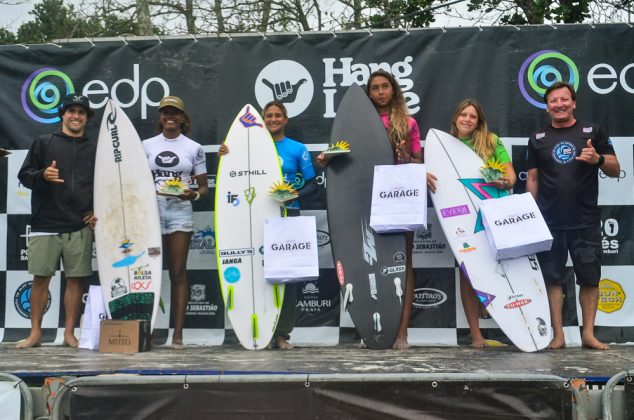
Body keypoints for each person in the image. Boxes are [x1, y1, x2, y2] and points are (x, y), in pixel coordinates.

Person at [319, 70, 424, 350]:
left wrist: (404, 158)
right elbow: (340, 164)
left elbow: (417, 161)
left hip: (397, 197)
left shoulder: (409, 123)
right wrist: (324, 159)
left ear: (394, 90)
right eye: (374, 88)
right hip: (361, 198)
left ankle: (401, 333)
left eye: (385, 86)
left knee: (402, 262)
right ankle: (373, 330)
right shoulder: (355, 125)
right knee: (363, 261)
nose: (380, 92)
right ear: (369, 93)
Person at [526, 81, 620, 350]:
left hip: (586, 221)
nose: (559, 104)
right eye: (553, 101)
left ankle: (588, 335)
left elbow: (615, 168)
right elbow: (532, 178)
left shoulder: (593, 132)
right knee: (553, 279)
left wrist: (599, 160)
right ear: (547, 107)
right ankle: (559, 335)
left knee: (590, 279)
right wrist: (529, 215)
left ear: (574, 103)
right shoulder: (537, 139)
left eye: (564, 99)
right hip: (549, 223)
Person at [219, 100, 318, 350]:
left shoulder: (297, 149)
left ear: (285, 119)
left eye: (278, 115)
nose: (273, 119)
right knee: (255, 272)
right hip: (253, 218)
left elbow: (312, 184)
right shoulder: (247, 147)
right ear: (263, 119)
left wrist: (292, 196)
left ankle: (283, 333)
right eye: (269, 116)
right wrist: (225, 154)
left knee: (287, 276)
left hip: (288, 217)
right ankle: (259, 330)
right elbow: (232, 175)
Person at [429, 99, 517, 348]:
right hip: (461, 219)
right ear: (455, 117)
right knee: (468, 273)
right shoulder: (442, 146)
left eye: (473, 117)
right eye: (463, 115)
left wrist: (505, 182)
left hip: (493, 214)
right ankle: (476, 335)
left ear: (479, 121)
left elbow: (510, 174)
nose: (467, 120)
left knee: (501, 269)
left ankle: (515, 327)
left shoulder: (491, 141)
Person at [17, 93, 97, 349]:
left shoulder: (95, 148)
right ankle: (35, 334)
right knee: (41, 279)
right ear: (62, 114)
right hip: (46, 223)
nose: (76, 116)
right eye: (71, 111)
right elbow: (24, 176)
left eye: (81, 112)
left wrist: (95, 210)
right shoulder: (43, 142)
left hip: (79, 225)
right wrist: (43, 174)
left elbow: (103, 184)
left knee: (76, 280)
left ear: (87, 117)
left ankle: (69, 334)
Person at [143, 96, 208, 350]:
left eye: (175, 112)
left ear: (182, 117)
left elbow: (203, 188)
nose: (170, 116)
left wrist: (192, 194)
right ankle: (146, 332)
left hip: (181, 210)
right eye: (165, 112)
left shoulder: (194, 147)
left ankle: (177, 335)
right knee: (149, 274)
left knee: (178, 272)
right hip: (152, 210)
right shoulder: (146, 144)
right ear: (160, 116)